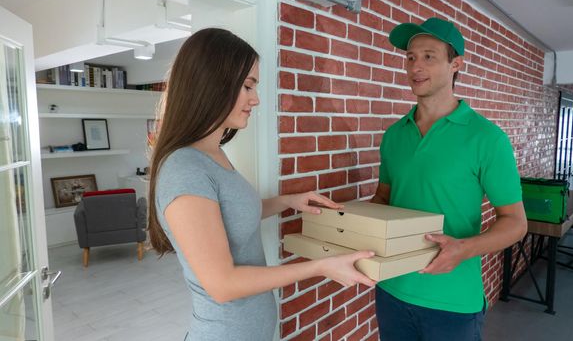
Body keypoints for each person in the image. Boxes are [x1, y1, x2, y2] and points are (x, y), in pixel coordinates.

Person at [147, 28, 376, 341]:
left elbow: (228, 216)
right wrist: (321, 266)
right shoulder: (184, 169)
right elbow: (222, 284)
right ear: (212, 84)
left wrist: (288, 201)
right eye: (247, 86)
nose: (255, 99)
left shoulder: (213, 154)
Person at [370, 17, 527, 340]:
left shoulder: (487, 138)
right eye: (411, 57)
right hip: (391, 290)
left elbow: (515, 222)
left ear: (456, 64)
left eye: (429, 56)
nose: (416, 66)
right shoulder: (394, 136)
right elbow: (384, 200)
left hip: (452, 302)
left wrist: (464, 249)